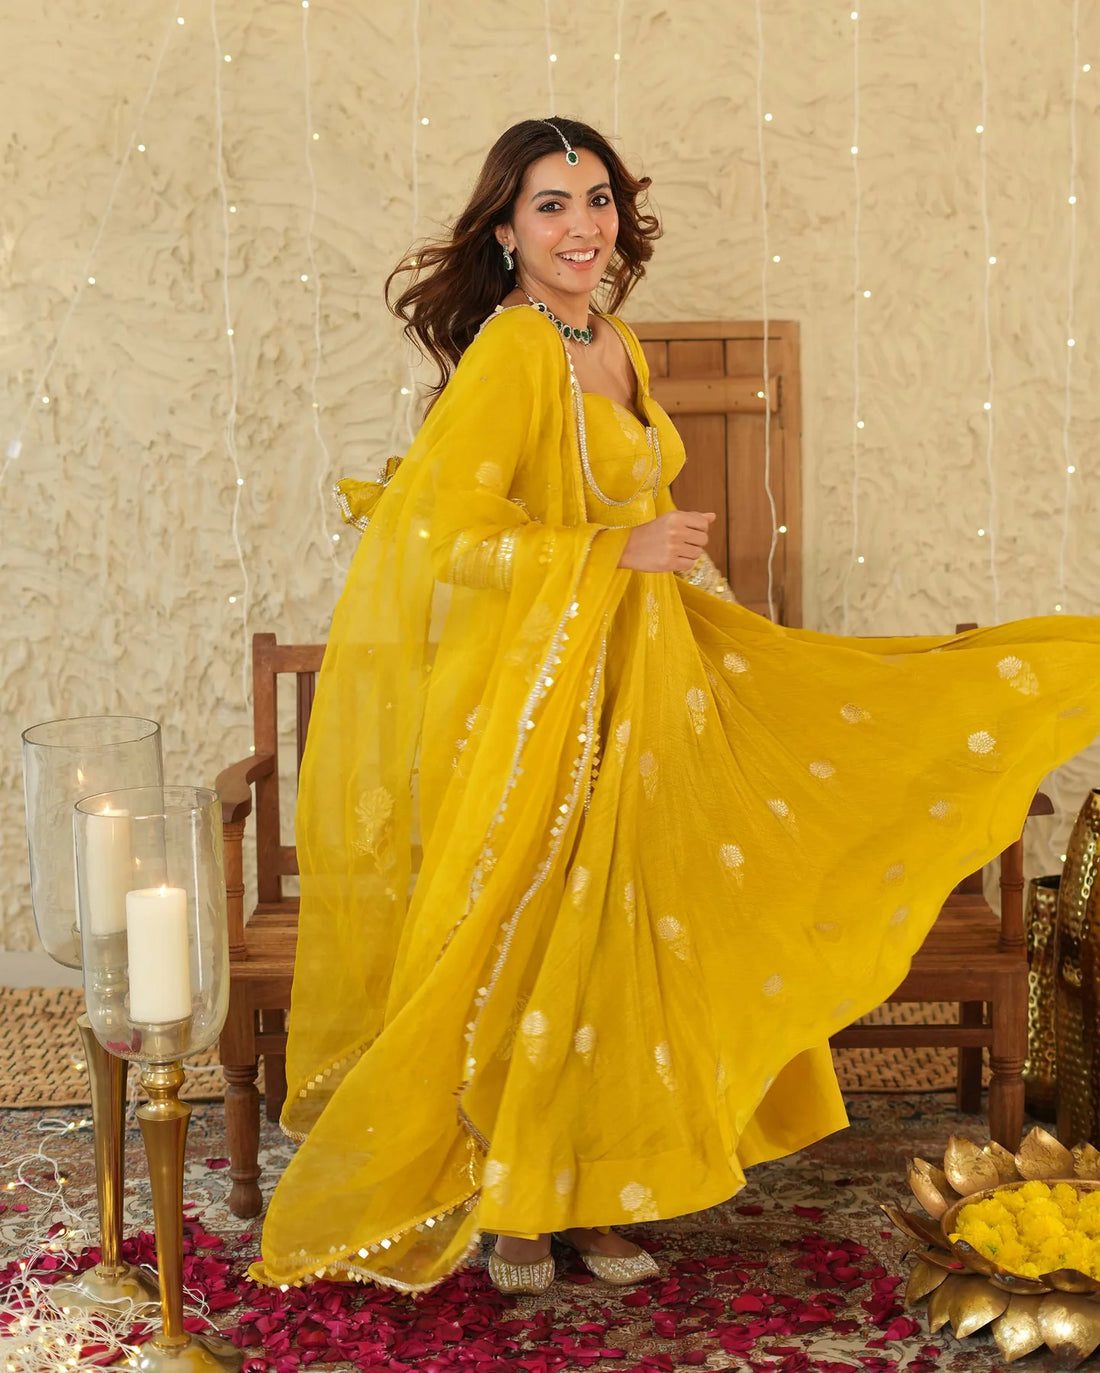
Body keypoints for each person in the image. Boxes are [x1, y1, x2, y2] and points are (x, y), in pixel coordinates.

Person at [252, 116, 1100, 1296]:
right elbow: (442, 535)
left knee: (629, 940)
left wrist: (716, 621)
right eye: (550, 204)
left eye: (596, 198)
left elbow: (647, 518)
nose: (581, 226)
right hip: (547, 698)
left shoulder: (612, 340)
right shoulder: (511, 351)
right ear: (504, 231)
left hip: (647, 683)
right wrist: (610, 552)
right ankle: (516, 1205)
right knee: (541, 942)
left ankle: (595, 1191)